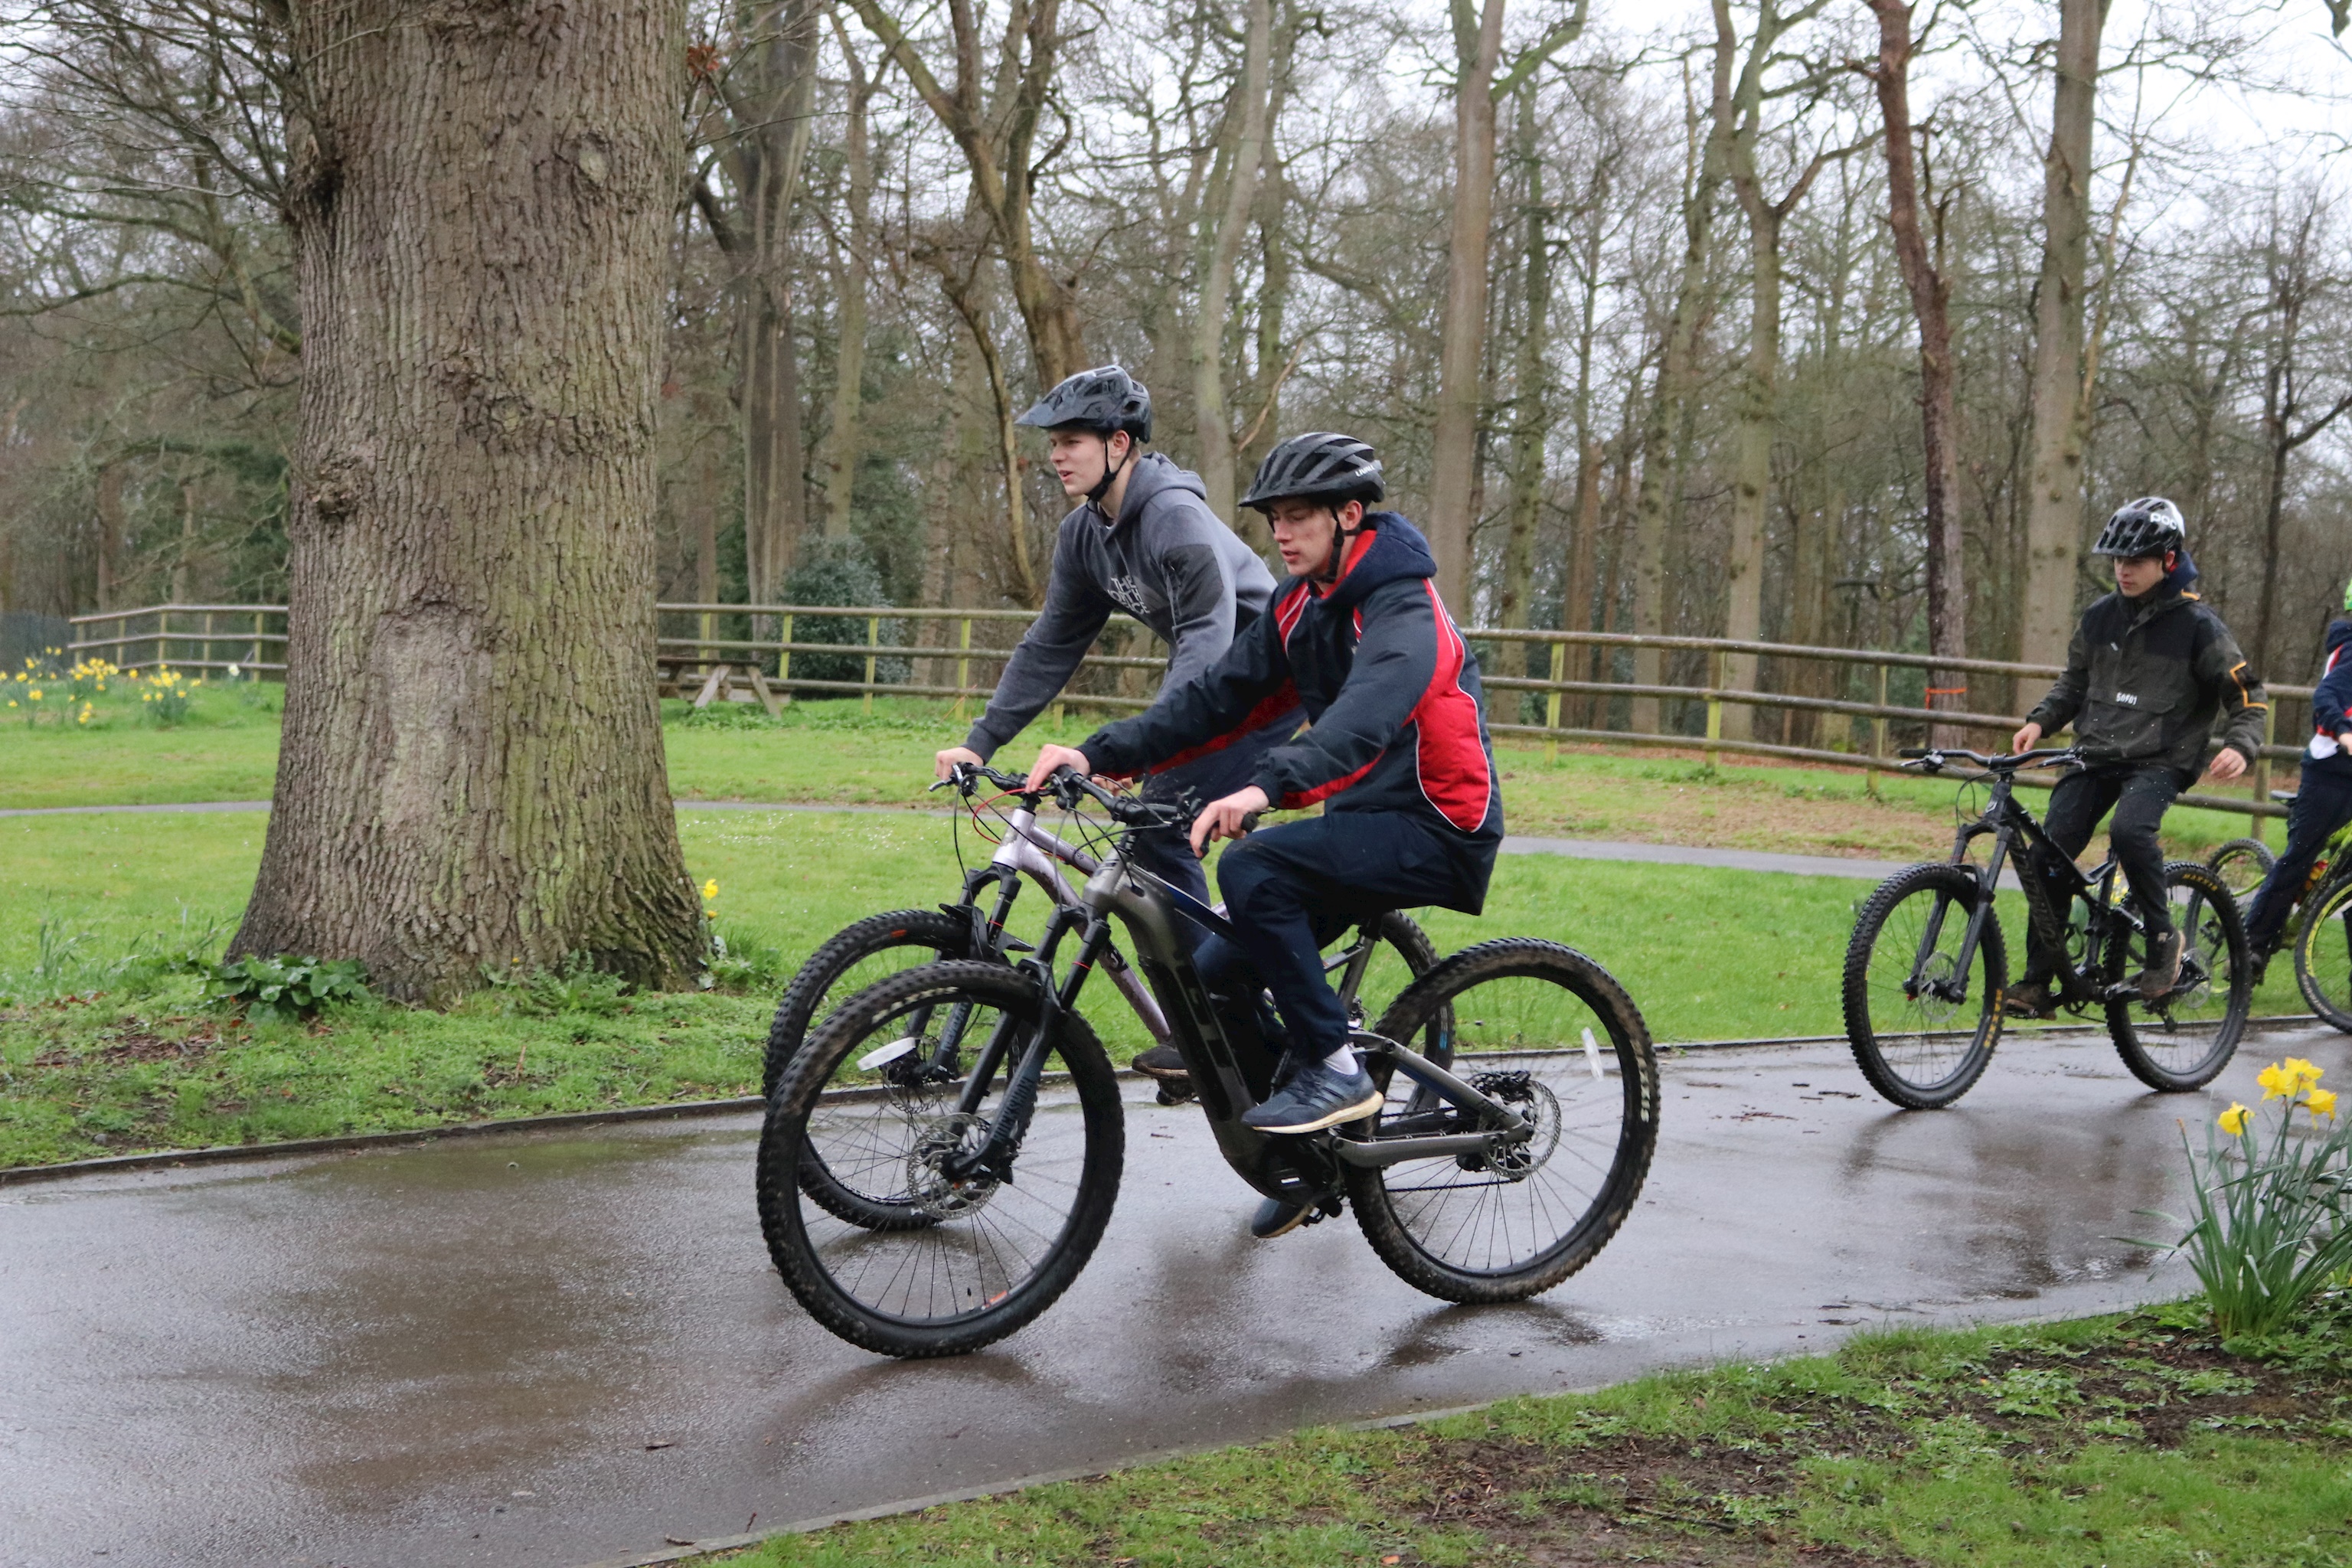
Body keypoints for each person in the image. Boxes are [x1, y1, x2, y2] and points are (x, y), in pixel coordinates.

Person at [1024, 432, 1504, 1235]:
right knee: (1213, 982)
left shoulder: (1401, 607)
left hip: (1438, 825)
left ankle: (1335, 1069)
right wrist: (1097, 750)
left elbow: (1364, 718)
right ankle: (1310, 1161)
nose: (1281, 533)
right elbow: (1214, 701)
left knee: (1257, 866)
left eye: (1299, 517)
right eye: (1274, 518)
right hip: (1361, 821)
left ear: (1350, 514)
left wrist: (1265, 783)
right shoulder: (1299, 604)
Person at [933, 366, 1297, 1083]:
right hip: (1219, 689)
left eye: (1072, 440)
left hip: (1273, 686)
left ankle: (1219, 1024)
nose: (1057, 455)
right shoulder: (1084, 536)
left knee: (1158, 820)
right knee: (1150, 831)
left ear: (1120, 443)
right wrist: (980, 741)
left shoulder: (1175, 519)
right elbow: (1049, 646)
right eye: (1053, 443)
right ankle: (1217, 1005)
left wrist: (1145, 744)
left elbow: (1207, 638)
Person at [2007, 497, 2267, 1016]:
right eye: (2118, 562)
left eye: (2136, 562)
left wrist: (2241, 745)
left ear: (2168, 561)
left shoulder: (2199, 626)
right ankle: (2039, 980)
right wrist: (2040, 720)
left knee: (2129, 832)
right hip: (2097, 752)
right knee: (2047, 854)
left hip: (2162, 759)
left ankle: (2163, 940)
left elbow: (2248, 695)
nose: (2123, 571)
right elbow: (2075, 683)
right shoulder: (2100, 617)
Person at [2242, 577, 2352, 982]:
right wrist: (2344, 733)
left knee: (2347, 881)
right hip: (2331, 773)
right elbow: (2326, 698)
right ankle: (2252, 948)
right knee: (2298, 861)